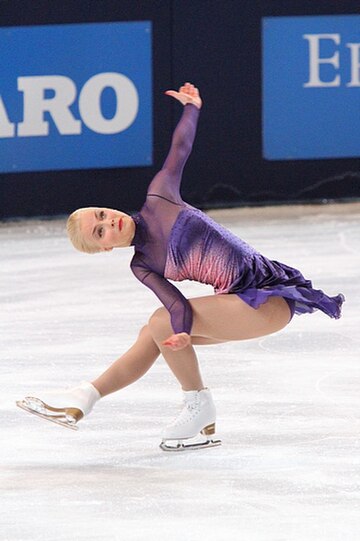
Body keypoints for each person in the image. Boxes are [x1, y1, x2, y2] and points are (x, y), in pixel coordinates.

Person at [17, 83, 344, 452]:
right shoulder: (143, 265)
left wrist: (192, 108)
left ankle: (197, 404)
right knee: (154, 330)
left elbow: (180, 148)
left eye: (103, 214)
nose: (110, 222)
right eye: (100, 231)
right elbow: (175, 305)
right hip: (241, 306)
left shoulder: (160, 198)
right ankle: (85, 397)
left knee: (159, 325)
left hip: (267, 300)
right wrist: (183, 331)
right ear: (104, 248)